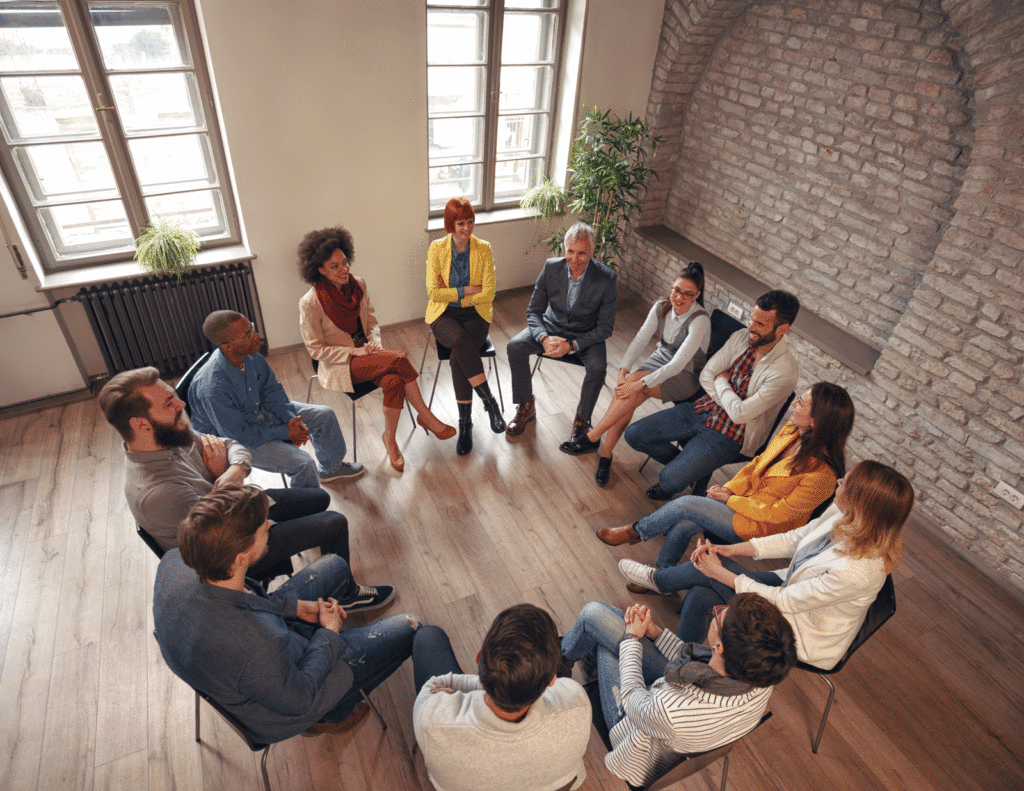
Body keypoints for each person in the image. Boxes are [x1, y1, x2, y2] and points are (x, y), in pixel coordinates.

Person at [98, 367, 394, 608]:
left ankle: (325, 571)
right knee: (334, 522)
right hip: (231, 551)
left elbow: (229, 444)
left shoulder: (167, 434)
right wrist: (224, 475)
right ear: (140, 424)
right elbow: (231, 527)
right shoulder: (160, 493)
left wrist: (235, 469)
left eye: (174, 396)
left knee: (317, 497)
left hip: (231, 507)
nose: (182, 405)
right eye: (169, 404)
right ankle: (345, 594)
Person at [153, 483, 426, 741]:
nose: (270, 527)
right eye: (263, 530)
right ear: (240, 558)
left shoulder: (174, 560)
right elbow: (300, 697)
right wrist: (328, 633)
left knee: (335, 565)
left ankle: (342, 607)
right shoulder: (257, 642)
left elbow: (243, 598)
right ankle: (333, 713)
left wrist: (293, 607)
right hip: (291, 699)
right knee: (412, 626)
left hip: (249, 652)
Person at [634, 461, 912, 670]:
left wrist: (720, 572)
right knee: (704, 590)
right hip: (791, 589)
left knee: (711, 575)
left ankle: (660, 582)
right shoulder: (844, 512)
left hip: (801, 632)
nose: (839, 481)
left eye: (845, 483)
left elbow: (784, 602)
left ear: (862, 504)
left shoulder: (859, 571)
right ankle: (677, 663)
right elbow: (795, 539)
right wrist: (728, 549)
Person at [602, 381, 854, 592]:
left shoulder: (824, 475)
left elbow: (777, 514)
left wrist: (730, 500)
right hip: (743, 501)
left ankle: (637, 531)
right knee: (685, 522)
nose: (792, 405)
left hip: (762, 527)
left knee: (686, 504)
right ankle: (661, 577)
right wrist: (730, 489)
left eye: (800, 403)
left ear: (817, 420)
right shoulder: (793, 430)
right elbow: (756, 464)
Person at [559, 595, 795, 789]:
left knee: (601, 631)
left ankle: (564, 660)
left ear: (720, 647)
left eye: (718, 615)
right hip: (667, 705)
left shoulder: (672, 710)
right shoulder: (761, 672)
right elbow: (697, 657)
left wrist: (632, 638)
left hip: (634, 726)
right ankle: (571, 657)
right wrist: (654, 632)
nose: (715, 612)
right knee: (603, 618)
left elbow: (632, 699)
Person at [297, 225, 456, 472]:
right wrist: (355, 352)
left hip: (370, 354)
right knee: (400, 359)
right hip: (343, 363)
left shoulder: (358, 284)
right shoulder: (310, 303)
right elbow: (316, 349)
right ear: (319, 270)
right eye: (334, 266)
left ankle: (390, 441)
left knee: (393, 381)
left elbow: (371, 321)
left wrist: (373, 345)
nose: (344, 269)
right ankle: (426, 417)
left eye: (345, 261)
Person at [624, 290, 800, 501]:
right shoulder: (740, 337)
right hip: (702, 408)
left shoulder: (785, 371)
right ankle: (695, 468)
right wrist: (726, 397)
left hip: (731, 434)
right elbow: (707, 374)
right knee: (633, 434)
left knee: (668, 481)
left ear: (783, 329)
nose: (751, 327)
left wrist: (721, 381)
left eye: (760, 324)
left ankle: (685, 470)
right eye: (752, 319)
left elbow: (739, 415)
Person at [562, 262, 711, 487]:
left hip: (686, 374)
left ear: (697, 295)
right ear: (672, 285)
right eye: (677, 290)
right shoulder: (661, 306)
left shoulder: (700, 320)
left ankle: (594, 438)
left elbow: (679, 363)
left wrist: (639, 384)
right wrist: (624, 371)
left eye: (688, 294)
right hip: (662, 358)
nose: (679, 298)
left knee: (633, 390)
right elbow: (641, 338)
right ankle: (605, 455)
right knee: (629, 391)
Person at [412, 604, 591, 791]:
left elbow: (433, 685)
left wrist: (481, 684)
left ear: (479, 658)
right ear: (552, 679)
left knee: (428, 636)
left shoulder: (432, 722)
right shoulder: (577, 704)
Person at [187, 310, 364, 487]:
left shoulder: (253, 357)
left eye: (252, 328)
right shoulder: (212, 388)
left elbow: (273, 392)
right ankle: (308, 508)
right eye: (247, 335)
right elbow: (240, 436)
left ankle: (331, 469)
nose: (256, 336)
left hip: (256, 413)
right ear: (227, 346)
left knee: (324, 415)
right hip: (233, 441)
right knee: (304, 463)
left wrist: (291, 421)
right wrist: (285, 432)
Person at [505, 222, 618, 445]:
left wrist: (572, 345)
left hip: (586, 335)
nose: (575, 258)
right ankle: (526, 405)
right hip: (551, 328)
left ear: (593, 252)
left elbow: (605, 328)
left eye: (582, 253)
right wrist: (543, 338)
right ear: (564, 248)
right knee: (514, 346)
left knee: (598, 367)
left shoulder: (607, 279)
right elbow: (534, 310)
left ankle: (582, 420)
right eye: (570, 251)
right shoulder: (551, 267)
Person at [425, 198, 506, 456]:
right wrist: (468, 289)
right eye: (461, 223)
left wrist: (453, 292)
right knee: (460, 344)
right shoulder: (436, 249)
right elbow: (432, 293)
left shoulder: (484, 248)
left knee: (458, 358)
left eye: (470, 221)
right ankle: (489, 402)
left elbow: (488, 294)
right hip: (444, 316)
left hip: (476, 316)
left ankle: (465, 426)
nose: (467, 228)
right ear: (450, 224)